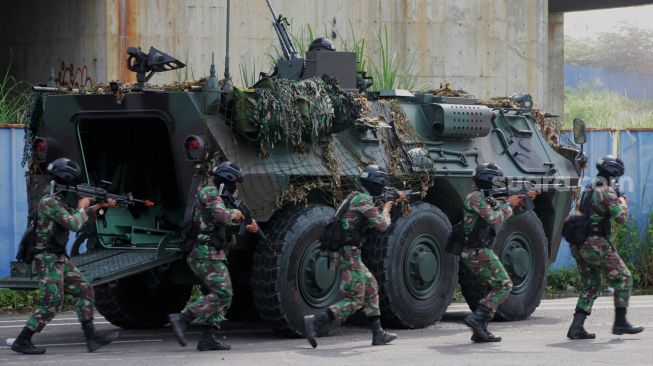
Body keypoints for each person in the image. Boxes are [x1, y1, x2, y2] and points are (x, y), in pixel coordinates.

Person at [11, 158, 120, 355]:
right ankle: (22, 340)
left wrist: (98, 208)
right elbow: (74, 223)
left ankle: (91, 337)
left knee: (84, 289)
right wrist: (82, 205)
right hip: (47, 260)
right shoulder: (48, 202)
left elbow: (75, 217)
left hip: (58, 258)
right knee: (51, 303)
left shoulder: (57, 201)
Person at [303, 164, 402, 348]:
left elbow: (361, 221)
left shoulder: (355, 196)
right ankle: (315, 321)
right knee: (355, 299)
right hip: (348, 251)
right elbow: (382, 225)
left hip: (345, 250)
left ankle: (377, 333)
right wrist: (387, 208)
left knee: (371, 285)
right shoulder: (363, 200)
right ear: (377, 183)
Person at [168, 161, 258, 351]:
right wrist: (236, 214)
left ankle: (208, 337)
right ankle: (183, 318)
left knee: (214, 294)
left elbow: (217, 223)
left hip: (209, 252)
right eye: (235, 184)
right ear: (228, 180)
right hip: (204, 253)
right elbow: (222, 216)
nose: (235, 188)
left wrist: (247, 226)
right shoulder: (210, 193)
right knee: (223, 293)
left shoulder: (215, 195)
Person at [567, 155, 644, 339]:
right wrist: (622, 201)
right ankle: (620, 323)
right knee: (624, 278)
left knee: (591, 284)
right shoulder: (606, 190)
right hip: (595, 243)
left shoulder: (589, 187)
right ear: (615, 172)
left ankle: (576, 327)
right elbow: (621, 218)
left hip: (579, 243)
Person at [461, 163, 526, 343]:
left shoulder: (481, 196)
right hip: (476, 250)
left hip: (477, 250)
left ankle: (480, 329)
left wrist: (520, 201)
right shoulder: (475, 198)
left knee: (492, 287)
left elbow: (501, 213)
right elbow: (496, 219)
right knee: (504, 285)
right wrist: (508, 203)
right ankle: (477, 319)